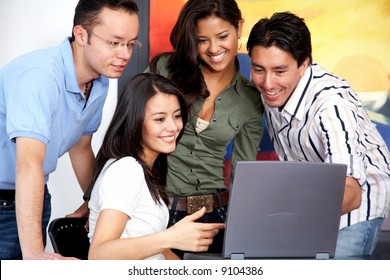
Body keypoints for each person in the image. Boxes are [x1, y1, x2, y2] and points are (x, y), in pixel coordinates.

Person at [0, 0, 141, 260]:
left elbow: (81, 148)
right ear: (81, 35)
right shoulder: (39, 76)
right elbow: (28, 164)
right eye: (114, 43)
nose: (125, 54)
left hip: (34, 195)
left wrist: (94, 202)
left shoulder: (100, 80)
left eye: (131, 44)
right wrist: (34, 254)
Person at [246, 11, 390, 257]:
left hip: (356, 208)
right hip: (308, 202)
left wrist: (284, 212)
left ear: (304, 65)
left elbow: (351, 193)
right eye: (259, 69)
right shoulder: (270, 87)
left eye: (280, 71)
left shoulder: (332, 107)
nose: (268, 83)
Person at [147, 0, 264, 257]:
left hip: (216, 217)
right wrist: (94, 199)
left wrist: (245, 229)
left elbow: (242, 174)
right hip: (159, 211)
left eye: (223, 36)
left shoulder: (251, 99)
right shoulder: (164, 69)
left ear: (239, 28)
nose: (214, 49)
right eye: (202, 40)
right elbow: (128, 134)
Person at [87, 73, 225, 260]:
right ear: (135, 121)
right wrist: (171, 237)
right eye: (159, 119)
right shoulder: (127, 169)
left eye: (177, 116)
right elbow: (99, 255)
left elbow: (159, 250)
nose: (173, 127)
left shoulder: (145, 169)